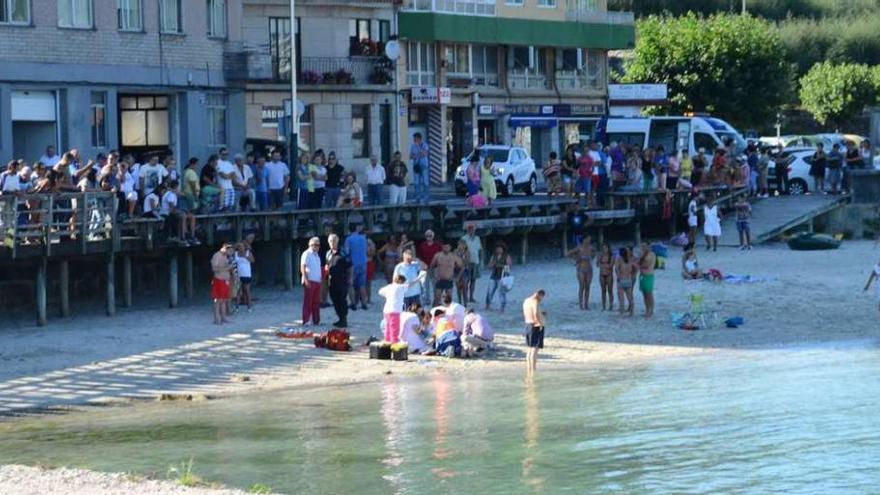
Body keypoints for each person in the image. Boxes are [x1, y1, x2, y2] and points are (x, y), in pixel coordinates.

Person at [380, 274, 423, 343]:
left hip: (386, 310)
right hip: (395, 310)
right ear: (400, 281)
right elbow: (410, 285)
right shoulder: (400, 287)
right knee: (394, 329)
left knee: (388, 328)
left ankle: (387, 342)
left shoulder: (389, 287)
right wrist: (418, 279)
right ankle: (394, 344)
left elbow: (380, 292)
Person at [326, 234, 351, 327]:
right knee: (334, 300)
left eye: (334, 241)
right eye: (331, 241)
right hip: (332, 281)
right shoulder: (328, 253)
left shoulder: (343, 252)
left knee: (342, 300)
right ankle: (340, 318)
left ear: (337, 241)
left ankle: (344, 319)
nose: (332, 243)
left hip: (342, 280)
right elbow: (327, 265)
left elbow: (350, 266)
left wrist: (350, 278)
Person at [343, 224, 369, 310]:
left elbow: (346, 252)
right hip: (363, 263)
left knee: (350, 284)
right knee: (362, 285)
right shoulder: (363, 238)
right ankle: (364, 303)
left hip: (353, 264)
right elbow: (366, 250)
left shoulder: (348, 239)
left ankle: (353, 303)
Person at [523, 289, 546, 375]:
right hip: (536, 327)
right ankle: (533, 371)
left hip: (528, 325)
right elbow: (535, 313)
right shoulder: (535, 301)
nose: (541, 300)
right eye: (542, 297)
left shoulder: (526, 301)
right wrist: (540, 323)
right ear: (539, 295)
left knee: (529, 349)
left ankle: (529, 370)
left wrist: (542, 313)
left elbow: (529, 313)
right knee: (534, 350)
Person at [300, 237, 323, 326]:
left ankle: (316, 320)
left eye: (318, 245)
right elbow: (302, 266)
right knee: (308, 301)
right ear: (310, 245)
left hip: (317, 280)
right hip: (309, 280)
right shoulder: (306, 254)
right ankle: (306, 320)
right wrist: (305, 279)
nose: (317, 247)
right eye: (315, 245)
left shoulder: (317, 255)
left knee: (316, 302)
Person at [567, 238, 593, 310]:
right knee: (582, 286)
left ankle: (586, 304)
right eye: (587, 239)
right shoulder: (579, 247)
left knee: (588, 286)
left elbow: (594, 254)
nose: (588, 240)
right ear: (584, 239)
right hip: (581, 268)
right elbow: (568, 253)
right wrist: (576, 258)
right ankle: (581, 304)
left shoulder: (591, 247)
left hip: (589, 268)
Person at [485, 243, 513, 312]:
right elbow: (489, 266)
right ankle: (487, 306)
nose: (499, 250)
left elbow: (509, 267)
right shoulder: (493, 256)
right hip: (493, 276)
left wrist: (500, 265)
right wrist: (492, 265)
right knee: (490, 292)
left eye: (500, 248)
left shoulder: (506, 256)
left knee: (501, 293)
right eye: (497, 248)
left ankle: (502, 308)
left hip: (502, 277)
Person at [417, 229, 442, 306]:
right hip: (425, 268)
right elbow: (419, 256)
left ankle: (437, 300)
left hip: (435, 268)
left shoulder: (438, 245)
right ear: (425, 236)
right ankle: (427, 300)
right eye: (427, 235)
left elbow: (440, 256)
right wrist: (422, 265)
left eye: (430, 235)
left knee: (436, 285)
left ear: (433, 236)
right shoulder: (422, 245)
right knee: (425, 285)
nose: (429, 237)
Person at [211, 244, 233, 325]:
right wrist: (227, 268)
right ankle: (217, 319)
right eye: (230, 251)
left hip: (225, 281)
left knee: (224, 300)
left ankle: (223, 317)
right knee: (218, 300)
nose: (231, 253)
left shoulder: (225, 257)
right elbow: (214, 269)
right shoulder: (217, 256)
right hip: (219, 280)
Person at [460, 223, 482, 304]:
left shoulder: (477, 238)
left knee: (473, 280)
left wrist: (480, 261)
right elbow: (460, 250)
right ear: (467, 229)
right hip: (467, 263)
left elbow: (479, 250)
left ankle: (471, 297)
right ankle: (465, 297)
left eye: (472, 228)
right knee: (466, 281)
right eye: (469, 228)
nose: (471, 230)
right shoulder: (464, 238)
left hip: (475, 261)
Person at [409, 133, 430, 203]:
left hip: (424, 166)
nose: (414, 140)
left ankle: (426, 198)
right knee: (416, 183)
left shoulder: (424, 145)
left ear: (419, 138)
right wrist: (418, 154)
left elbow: (425, 154)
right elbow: (411, 156)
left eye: (415, 138)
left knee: (425, 182)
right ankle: (417, 198)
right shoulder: (413, 146)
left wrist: (417, 154)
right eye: (414, 138)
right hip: (416, 166)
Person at [615, 247, 636, 316]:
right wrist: (632, 274)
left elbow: (617, 269)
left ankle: (622, 311)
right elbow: (635, 268)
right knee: (629, 297)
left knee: (621, 297)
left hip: (621, 279)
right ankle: (631, 311)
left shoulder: (619, 259)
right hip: (628, 279)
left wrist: (618, 277)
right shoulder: (630, 260)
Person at [638, 242, 656, 319]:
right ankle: (647, 309)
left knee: (649, 294)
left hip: (648, 275)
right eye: (642, 246)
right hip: (642, 275)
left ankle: (651, 310)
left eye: (645, 246)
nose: (643, 247)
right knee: (644, 295)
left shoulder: (651, 254)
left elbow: (646, 265)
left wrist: (638, 265)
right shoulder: (642, 254)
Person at [235, 242, 255, 312]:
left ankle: (249, 307)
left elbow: (252, 260)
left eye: (242, 246)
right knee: (238, 291)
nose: (241, 248)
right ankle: (237, 307)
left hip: (247, 274)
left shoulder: (248, 252)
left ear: (244, 247)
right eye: (239, 246)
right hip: (238, 275)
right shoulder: (236, 253)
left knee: (247, 291)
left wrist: (245, 256)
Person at [597, 243, 614, 311]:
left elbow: (610, 266)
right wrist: (604, 264)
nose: (604, 249)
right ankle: (603, 306)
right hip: (601, 274)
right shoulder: (600, 256)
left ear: (608, 249)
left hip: (609, 274)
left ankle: (611, 305)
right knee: (603, 291)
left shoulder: (611, 256)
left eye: (606, 248)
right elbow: (597, 264)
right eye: (603, 248)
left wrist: (603, 265)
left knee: (610, 290)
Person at [453, 239, 471, 304]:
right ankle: (460, 302)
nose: (460, 246)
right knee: (458, 288)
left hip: (465, 271)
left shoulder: (467, 252)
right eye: (459, 244)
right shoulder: (455, 251)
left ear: (465, 245)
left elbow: (466, 263)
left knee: (465, 288)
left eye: (462, 244)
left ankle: (465, 303)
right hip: (456, 270)